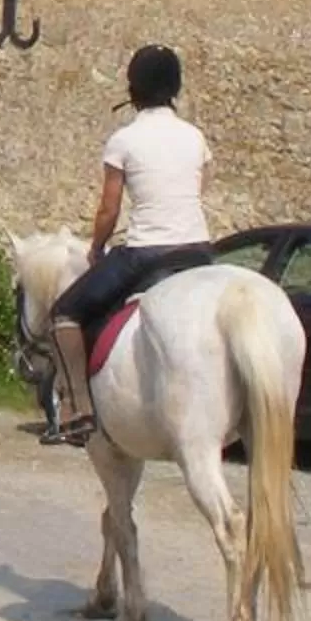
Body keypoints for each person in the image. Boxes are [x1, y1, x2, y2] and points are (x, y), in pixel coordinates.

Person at [41, 44, 214, 449]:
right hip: (199, 248)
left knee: (62, 315)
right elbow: (201, 185)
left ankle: (78, 409)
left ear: (133, 88)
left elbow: (109, 209)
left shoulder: (125, 139)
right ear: (175, 87)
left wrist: (97, 248)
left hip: (146, 252)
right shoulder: (195, 136)